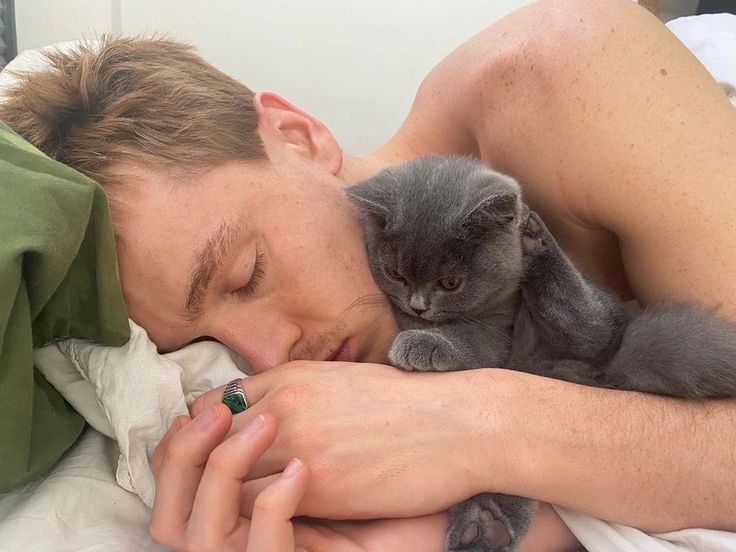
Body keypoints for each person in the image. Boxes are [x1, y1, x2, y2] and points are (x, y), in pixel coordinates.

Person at [0, 0, 734, 550]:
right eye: (193, 343)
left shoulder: (565, 77)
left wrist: (476, 424)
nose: (265, 354)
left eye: (247, 271)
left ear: (298, 135)